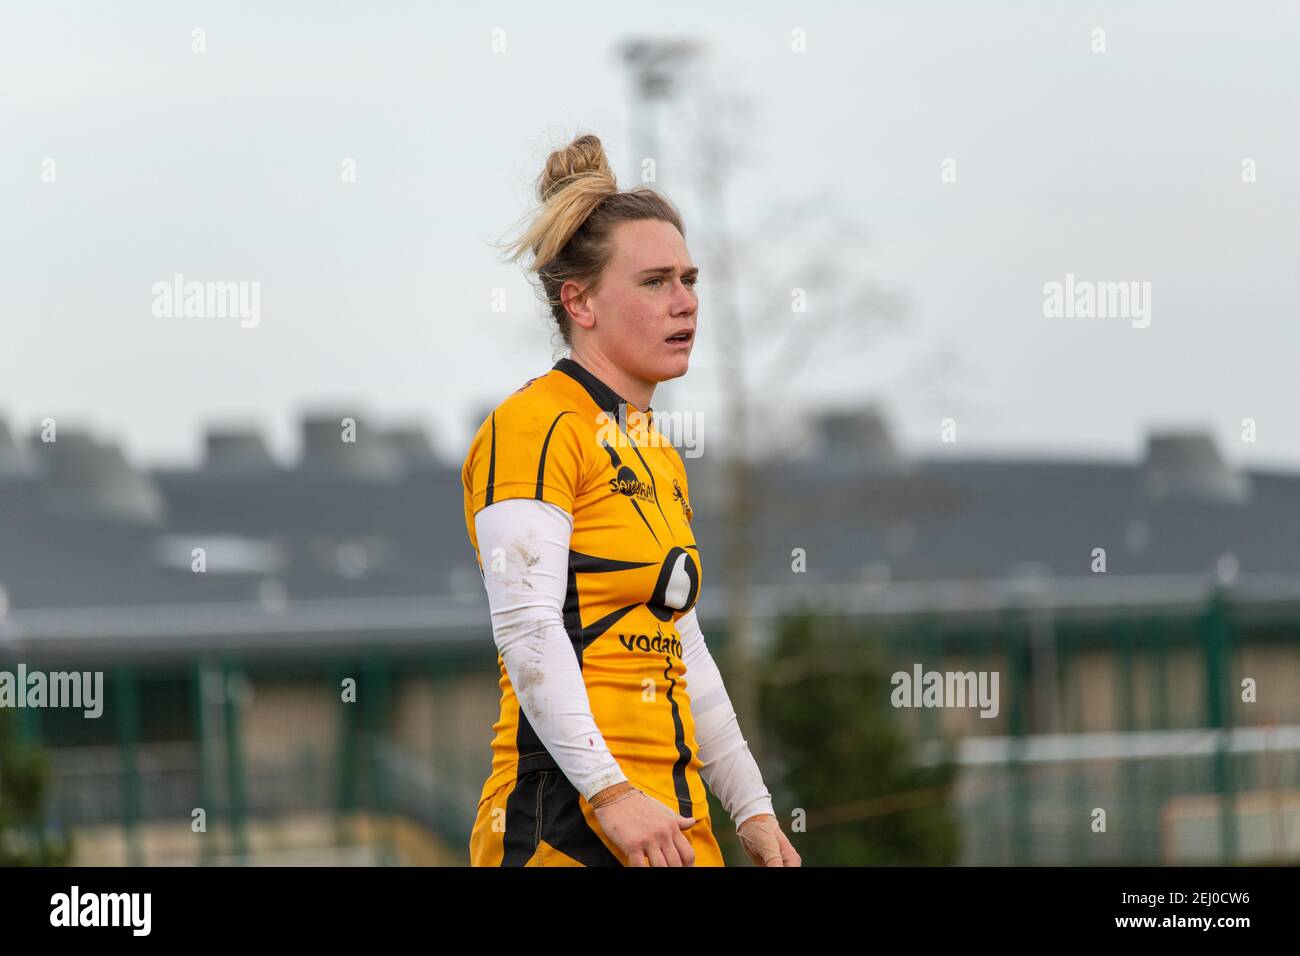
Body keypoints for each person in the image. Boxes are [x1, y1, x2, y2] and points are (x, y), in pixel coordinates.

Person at [461, 132, 799, 867]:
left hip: (675, 824)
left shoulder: (658, 451)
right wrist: (611, 794)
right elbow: (527, 630)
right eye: (654, 282)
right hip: (567, 820)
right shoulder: (534, 427)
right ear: (578, 301)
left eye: (690, 277)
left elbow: (683, 642)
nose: (685, 302)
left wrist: (752, 806)